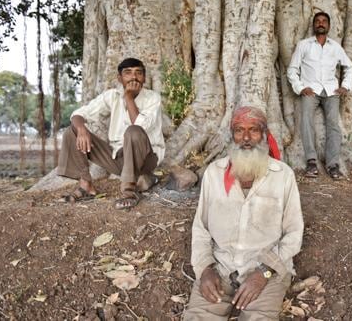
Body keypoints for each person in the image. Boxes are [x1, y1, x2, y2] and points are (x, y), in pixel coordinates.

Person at [183, 106, 303, 320]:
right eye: (239, 130)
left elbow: (294, 234)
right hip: (222, 267)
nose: (246, 137)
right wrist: (205, 270)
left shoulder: (283, 175)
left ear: (264, 135)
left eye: (254, 130)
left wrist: (264, 272)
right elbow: (200, 228)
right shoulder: (214, 173)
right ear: (232, 135)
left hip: (267, 270)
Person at [57, 57, 164, 210]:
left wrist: (128, 97)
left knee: (133, 131)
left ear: (144, 78)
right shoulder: (112, 96)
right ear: (119, 78)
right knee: (72, 130)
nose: (134, 77)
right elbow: (79, 114)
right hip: (118, 159)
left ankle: (129, 191)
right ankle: (86, 185)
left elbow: (139, 126)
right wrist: (81, 129)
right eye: (128, 73)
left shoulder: (153, 98)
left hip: (146, 158)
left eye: (138, 73)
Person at [287, 11, 352, 180]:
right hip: (310, 90)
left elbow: (350, 67)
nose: (321, 23)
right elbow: (292, 69)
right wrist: (300, 87)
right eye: (317, 21)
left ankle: (333, 164)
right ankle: (311, 161)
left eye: (324, 21)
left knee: (333, 124)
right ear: (313, 25)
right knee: (306, 120)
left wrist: (345, 86)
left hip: (331, 90)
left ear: (329, 26)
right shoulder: (304, 45)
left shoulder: (336, 47)